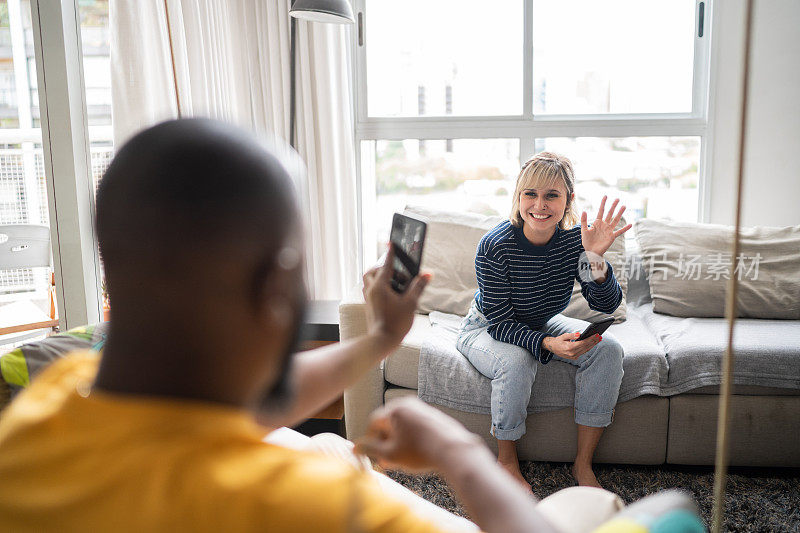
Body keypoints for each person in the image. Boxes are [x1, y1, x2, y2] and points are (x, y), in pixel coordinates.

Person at [0, 119, 566, 532]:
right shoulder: (309, 506)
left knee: (320, 440)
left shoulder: (49, 401)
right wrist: (458, 453)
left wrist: (379, 340)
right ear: (278, 287)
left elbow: (221, 411)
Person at [456, 152, 632, 489]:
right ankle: (506, 461)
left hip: (539, 321)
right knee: (517, 360)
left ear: (568, 201)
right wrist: (547, 344)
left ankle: (583, 465)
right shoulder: (495, 246)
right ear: (518, 197)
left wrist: (595, 257)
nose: (540, 204)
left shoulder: (573, 242)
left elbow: (605, 304)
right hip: (486, 326)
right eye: (530, 194)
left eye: (552, 195)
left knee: (607, 349)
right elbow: (501, 324)